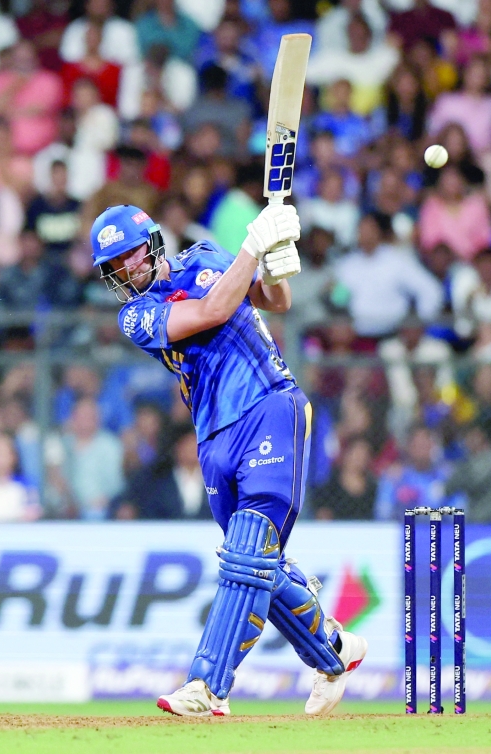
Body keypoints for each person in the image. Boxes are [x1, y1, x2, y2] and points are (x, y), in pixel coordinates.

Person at [88, 201, 366, 717]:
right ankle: (334, 652)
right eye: (115, 266)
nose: (127, 269)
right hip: (214, 436)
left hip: (269, 402)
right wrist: (253, 247)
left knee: (247, 554)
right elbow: (211, 311)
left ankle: (208, 685)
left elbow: (276, 301)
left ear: (152, 242)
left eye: (130, 254)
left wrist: (275, 265)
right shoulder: (135, 316)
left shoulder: (206, 256)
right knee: (257, 562)